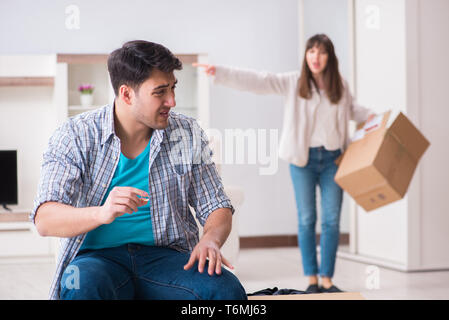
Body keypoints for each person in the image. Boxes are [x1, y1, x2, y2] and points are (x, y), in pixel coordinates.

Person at [30, 40, 247, 300]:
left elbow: (216, 204)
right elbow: (45, 218)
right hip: (96, 260)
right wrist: (102, 213)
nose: (172, 101)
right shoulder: (75, 135)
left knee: (226, 290)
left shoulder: (187, 133)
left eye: (173, 88)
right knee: (81, 286)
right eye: (160, 92)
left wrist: (211, 238)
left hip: (168, 258)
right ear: (126, 94)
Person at [194, 34, 375, 293]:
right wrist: (220, 72)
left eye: (321, 52)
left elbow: (354, 111)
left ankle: (326, 279)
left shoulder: (341, 86)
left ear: (329, 57)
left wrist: (376, 119)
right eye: (311, 51)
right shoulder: (294, 82)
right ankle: (312, 279)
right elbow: (259, 80)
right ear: (306, 55)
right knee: (306, 218)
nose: (315, 56)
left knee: (332, 220)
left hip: (334, 159)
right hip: (303, 160)